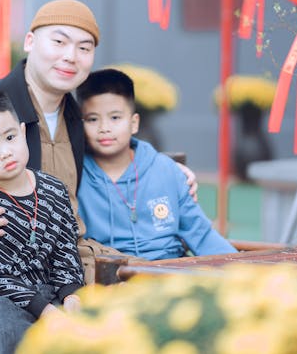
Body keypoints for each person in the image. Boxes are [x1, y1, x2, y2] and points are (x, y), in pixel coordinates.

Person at [0, 0, 196, 279]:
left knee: (166, 286)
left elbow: (112, 145)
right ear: (29, 42)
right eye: (59, 42)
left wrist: (166, 169)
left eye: (84, 48)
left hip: (71, 261)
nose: (71, 56)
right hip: (1, 276)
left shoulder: (76, 116)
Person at [0, 86, 84, 354]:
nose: (5, 152)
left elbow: (65, 251)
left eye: (10, 137)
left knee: (84, 324)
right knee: (0, 327)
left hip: (41, 293)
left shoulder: (54, 190)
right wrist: (44, 310)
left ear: (23, 132)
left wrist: (71, 294)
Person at [76, 68, 236, 260]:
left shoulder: (166, 170)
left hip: (169, 273)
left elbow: (201, 235)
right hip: (108, 277)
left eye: (115, 118)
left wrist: (243, 270)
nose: (104, 128)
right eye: (93, 119)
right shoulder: (76, 174)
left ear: (134, 123)